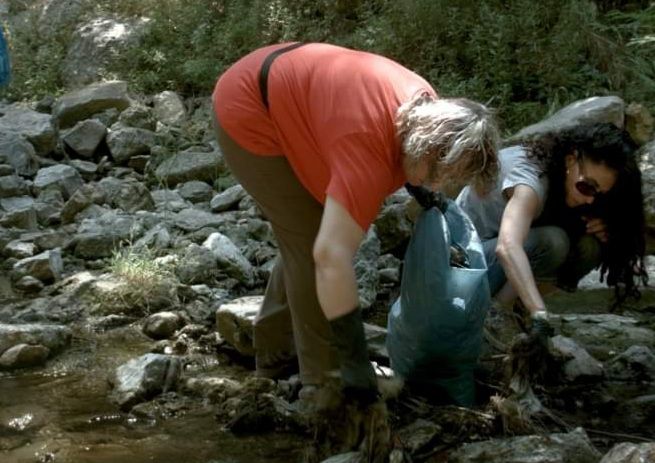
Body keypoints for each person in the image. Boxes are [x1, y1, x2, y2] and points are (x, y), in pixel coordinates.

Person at [211, 42, 500, 425]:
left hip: (293, 99)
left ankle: (275, 355)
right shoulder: (367, 150)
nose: (441, 182)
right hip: (249, 109)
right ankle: (324, 386)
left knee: (309, 233)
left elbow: (408, 161)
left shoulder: (426, 106)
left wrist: (421, 185)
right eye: (438, 171)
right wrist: (355, 363)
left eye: (450, 176)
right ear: (425, 145)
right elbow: (329, 258)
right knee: (312, 240)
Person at [457, 122, 648, 349]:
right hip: (460, 268)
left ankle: (516, 307)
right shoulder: (531, 181)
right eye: (587, 187)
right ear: (570, 160)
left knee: (589, 245)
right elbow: (508, 246)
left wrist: (603, 227)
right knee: (553, 242)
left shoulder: (565, 177)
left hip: (490, 264)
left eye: (599, 194)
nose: (590, 200)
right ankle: (496, 316)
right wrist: (539, 313)